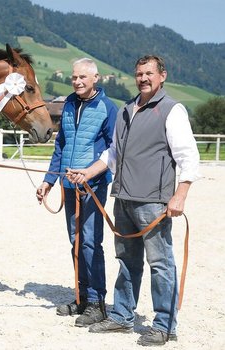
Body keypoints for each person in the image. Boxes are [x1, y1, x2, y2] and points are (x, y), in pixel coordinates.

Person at [66, 55, 200, 346]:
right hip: (123, 198)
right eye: (139, 74)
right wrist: (87, 173)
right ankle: (123, 316)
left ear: (162, 76)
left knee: (161, 264)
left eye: (149, 73)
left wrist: (180, 194)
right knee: (126, 261)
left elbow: (188, 155)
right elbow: (112, 154)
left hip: (154, 202)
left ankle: (164, 325)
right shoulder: (127, 109)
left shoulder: (171, 110)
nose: (143, 78)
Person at [36, 58, 118, 327]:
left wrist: (90, 174)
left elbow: (112, 151)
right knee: (75, 240)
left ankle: (97, 303)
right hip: (68, 185)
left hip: (92, 186)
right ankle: (81, 297)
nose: (78, 81)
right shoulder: (69, 104)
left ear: (96, 78)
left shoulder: (108, 108)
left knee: (90, 242)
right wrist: (49, 180)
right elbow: (60, 146)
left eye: (83, 77)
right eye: (74, 77)